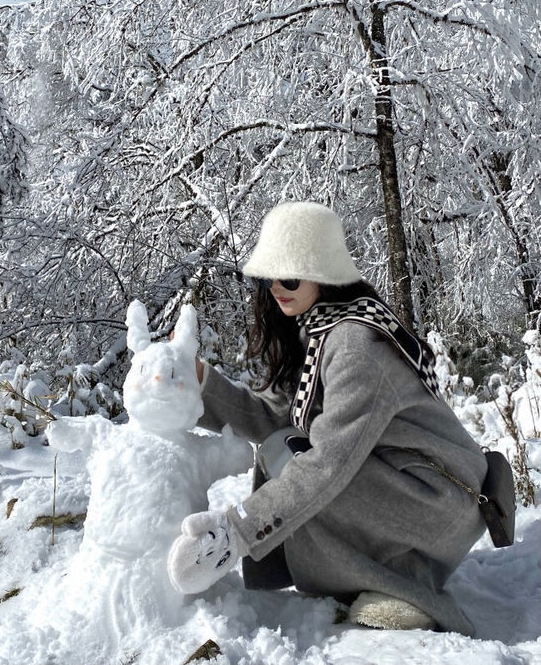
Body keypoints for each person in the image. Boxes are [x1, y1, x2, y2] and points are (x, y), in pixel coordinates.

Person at [167, 201, 487, 635]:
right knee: (284, 448)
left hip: (436, 504)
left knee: (301, 465)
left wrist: (234, 532)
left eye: (290, 277)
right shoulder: (319, 328)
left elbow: (328, 466)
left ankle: (409, 583)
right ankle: (379, 572)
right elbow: (273, 417)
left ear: (323, 274)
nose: (277, 288)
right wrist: (201, 382)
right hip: (404, 486)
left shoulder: (356, 347)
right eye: (269, 277)